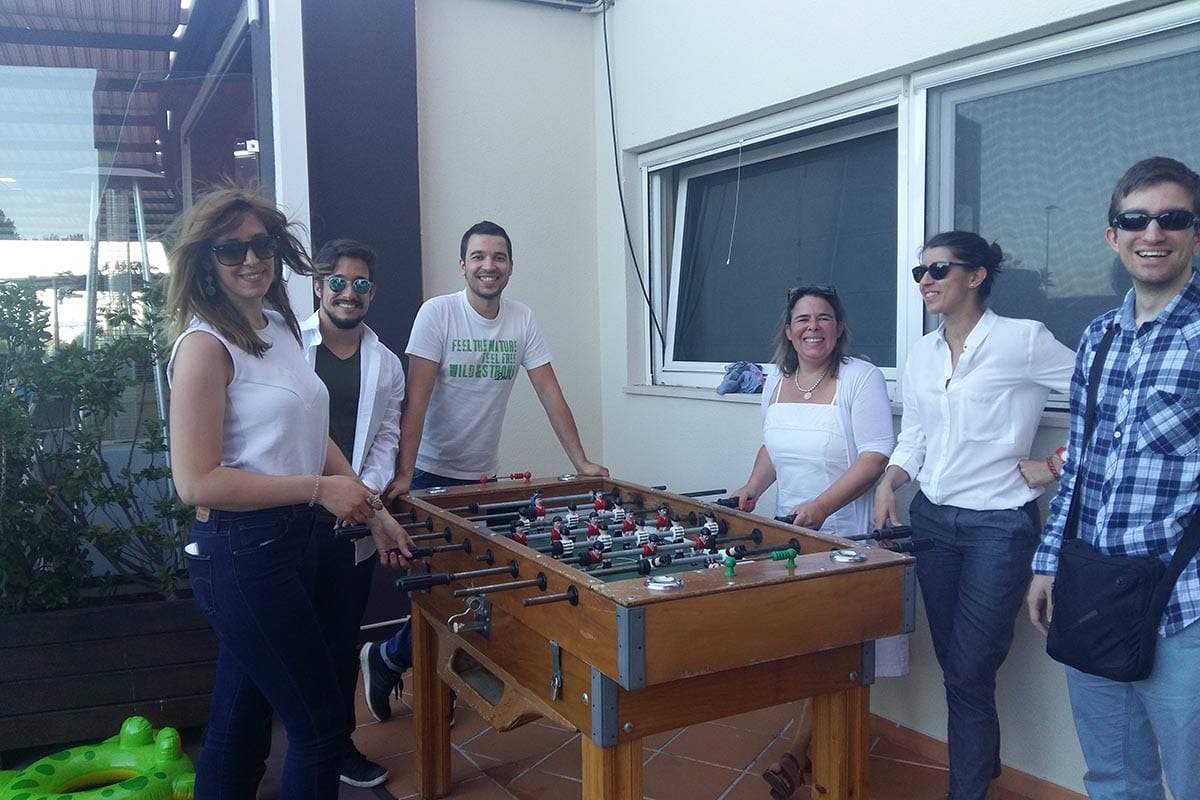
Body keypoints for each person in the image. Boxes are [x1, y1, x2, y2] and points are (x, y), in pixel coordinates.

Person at [166, 188, 413, 799]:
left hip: (288, 544)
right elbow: (195, 481)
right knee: (321, 726)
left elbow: (313, 431)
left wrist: (371, 509)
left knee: (240, 720)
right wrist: (318, 490)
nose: (252, 259)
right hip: (240, 552)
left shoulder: (274, 327)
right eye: (231, 249)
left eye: (262, 244)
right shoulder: (203, 347)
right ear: (205, 260)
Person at [361, 220, 608, 722]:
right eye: (478, 256)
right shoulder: (438, 313)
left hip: (482, 479)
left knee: (478, 587)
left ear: (511, 265)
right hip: (429, 475)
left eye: (498, 257)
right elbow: (416, 400)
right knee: (439, 590)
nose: (488, 266)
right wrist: (405, 475)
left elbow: (550, 393)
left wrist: (581, 462)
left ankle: (391, 658)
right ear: (462, 265)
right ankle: (412, 669)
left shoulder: (522, 319)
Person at [873, 231, 1074, 800]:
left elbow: (1109, 398)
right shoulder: (922, 352)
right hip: (933, 523)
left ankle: (967, 789)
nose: (925, 281)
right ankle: (980, 768)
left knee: (967, 669)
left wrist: (1057, 463)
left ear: (977, 275)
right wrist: (890, 478)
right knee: (957, 666)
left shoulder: (1022, 340)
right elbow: (916, 433)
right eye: (920, 272)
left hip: (998, 528)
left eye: (938, 269)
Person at [1027, 156, 1200, 800]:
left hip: (1185, 607)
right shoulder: (1099, 338)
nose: (1153, 233)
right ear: (1113, 235)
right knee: (1114, 777)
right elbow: (1081, 465)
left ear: (1195, 234)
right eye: (1136, 219)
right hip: (1096, 594)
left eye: (1172, 218)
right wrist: (1049, 563)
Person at [730, 285, 900, 799]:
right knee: (808, 645)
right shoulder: (776, 381)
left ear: (839, 328)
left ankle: (798, 754)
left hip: (848, 536)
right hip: (792, 535)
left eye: (824, 318)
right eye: (802, 319)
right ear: (788, 330)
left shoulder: (860, 378)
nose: (813, 327)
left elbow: (875, 456)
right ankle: (812, 749)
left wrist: (823, 508)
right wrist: (752, 487)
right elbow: (773, 446)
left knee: (836, 649)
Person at [300, 238, 405, 788]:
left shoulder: (386, 364)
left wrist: (365, 496)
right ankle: (300, 744)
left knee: (340, 639)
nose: (348, 293)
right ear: (319, 286)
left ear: (372, 292)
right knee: (294, 641)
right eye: (337, 282)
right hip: (290, 514)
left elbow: (386, 437)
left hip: (353, 519)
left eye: (360, 284)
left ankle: (339, 745)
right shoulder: (287, 346)